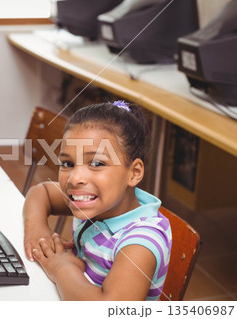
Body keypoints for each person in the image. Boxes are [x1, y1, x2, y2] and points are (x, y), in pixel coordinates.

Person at [22, 101, 172, 301]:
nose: (75, 178)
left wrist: (61, 268)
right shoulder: (98, 201)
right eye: (68, 163)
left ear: (134, 173)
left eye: (96, 163)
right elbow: (41, 192)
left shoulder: (140, 243)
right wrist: (37, 228)